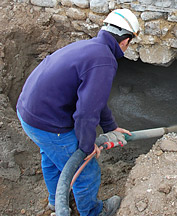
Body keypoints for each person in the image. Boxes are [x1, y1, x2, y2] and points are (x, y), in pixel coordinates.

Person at [16, 8, 139, 216]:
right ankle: (93, 212)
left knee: (52, 158)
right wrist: (86, 145)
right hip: (48, 124)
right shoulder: (104, 61)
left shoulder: (90, 47)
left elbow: (94, 101)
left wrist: (110, 127)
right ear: (126, 40)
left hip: (28, 113)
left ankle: (57, 200)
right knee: (86, 173)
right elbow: (85, 113)